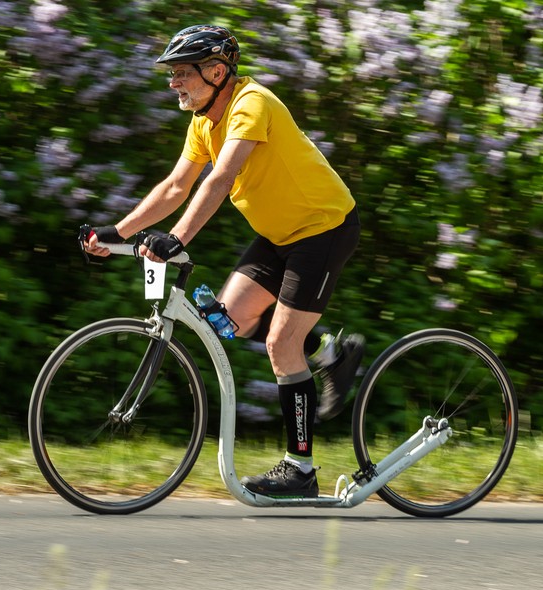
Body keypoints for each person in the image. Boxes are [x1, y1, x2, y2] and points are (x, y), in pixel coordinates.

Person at [85, 24, 364, 498]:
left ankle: (300, 470)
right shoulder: (203, 122)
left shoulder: (251, 103)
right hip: (278, 235)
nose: (172, 82)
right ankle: (329, 354)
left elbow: (220, 179)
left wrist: (176, 238)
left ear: (216, 72)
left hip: (324, 229)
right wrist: (119, 232)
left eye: (182, 73)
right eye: (171, 73)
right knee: (227, 320)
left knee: (280, 344)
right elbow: (176, 186)